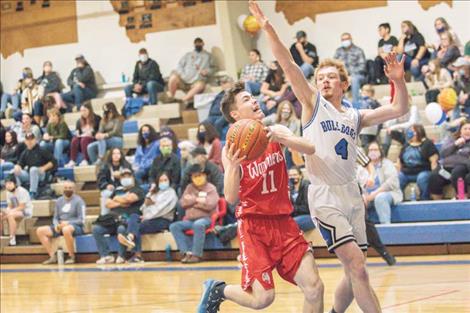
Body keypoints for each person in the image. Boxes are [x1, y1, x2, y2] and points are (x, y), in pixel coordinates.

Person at [249, 1, 409, 312]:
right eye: (321, 77)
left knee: (354, 273)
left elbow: (398, 109)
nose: (324, 81)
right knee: (358, 267)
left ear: (345, 83)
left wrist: (399, 81)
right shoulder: (312, 103)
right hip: (324, 196)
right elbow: (288, 65)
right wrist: (269, 28)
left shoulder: (354, 114)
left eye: (331, 77)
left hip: (352, 193)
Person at [197, 72, 322, 312]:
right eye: (246, 99)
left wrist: (284, 138)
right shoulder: (231, 148)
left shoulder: (274, 130)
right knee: (263, 299)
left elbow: (311, 147)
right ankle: (218, 289)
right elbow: (231, 198)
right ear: (235, 114)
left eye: (253, 97)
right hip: (254, 227)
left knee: (314, 287)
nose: (254, 101)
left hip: (284, 223)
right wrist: (233, 167)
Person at [93, 168, 145, 264]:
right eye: (123, 176)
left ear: (133, 178)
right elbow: (108, 204)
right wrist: (122, 201)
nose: (126, 178)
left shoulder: (138, 190)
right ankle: (106, 255)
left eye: (128, 176)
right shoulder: (117, 190)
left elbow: (130, 199)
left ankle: (121, 256)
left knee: (121, 229)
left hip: (127, 219)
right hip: (112, 219)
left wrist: (117, 199)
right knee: (96, 228)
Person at [170, 164, 219, 264]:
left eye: (200, 175)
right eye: (195, 176)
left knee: (198, 224)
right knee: (174, 226)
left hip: (206, 218)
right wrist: (198, 200)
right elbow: (183, 203)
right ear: (191, 178)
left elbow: (210, 204)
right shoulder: (189, 187)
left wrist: (192, 201)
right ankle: (185, 253)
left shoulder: (211, 188)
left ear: (205, 176)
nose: (198, 178)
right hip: (189, 220)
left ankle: (196, 255)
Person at [131, 172, 178, 262]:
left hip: (163, 220)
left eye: (165, 180)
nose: (163, 182)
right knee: (133, 217)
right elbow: (143, 209)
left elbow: (161, 210)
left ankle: (137, 253)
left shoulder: (171, 193)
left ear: (169, 181)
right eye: (161, 180)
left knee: (137, 226)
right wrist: (148, 197)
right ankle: (130, 236)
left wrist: (147, 216)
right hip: (148, 218)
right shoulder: (155, 192)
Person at [36, 181, 85, 265]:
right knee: (40, 230)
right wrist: (56, 225)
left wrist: (68, 222)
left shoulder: (79, 201)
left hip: (75, 226)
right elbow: (55, 217)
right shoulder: (59, 201)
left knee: (66, 229)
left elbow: (81, 220)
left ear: (74, 189)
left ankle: (71, 256)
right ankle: (52, 256)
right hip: (60, 225)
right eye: (66, 188)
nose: (67, 190)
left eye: (70, 188)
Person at [164, 37, 216, 105]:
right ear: (194, 45)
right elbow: (179, 66)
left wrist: (207, 71)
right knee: (173, 78)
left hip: (196, 81)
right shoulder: (187, 55)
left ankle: (182, 100)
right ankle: (171, 98)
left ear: (203, 43)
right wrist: (182, 74)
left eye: (199, 43)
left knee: (200, 85)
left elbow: (214, 68)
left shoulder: (208, 56)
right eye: (196, 43)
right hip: (183, 80)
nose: (198, 45)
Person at [363, 142, 403, 224]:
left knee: (380, 198)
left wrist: (374, 194)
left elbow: (391, 183)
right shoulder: (364, 166)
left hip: (388, 193)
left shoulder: (387, 164)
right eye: (370, 150)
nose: (373, 152)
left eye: (375, 150)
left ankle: (386, 227)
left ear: (380, 151)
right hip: (368, 196)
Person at [396, 124, 439, 200]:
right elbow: (399, 160)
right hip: (406, 173)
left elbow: (434, 161)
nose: (411, 133)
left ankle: (425, 200)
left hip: (423, 171)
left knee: (422, 178)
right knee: (398, 178)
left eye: (413, 131)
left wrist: (434, 176)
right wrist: (398, 172)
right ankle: (399, 200)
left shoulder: (428, 144)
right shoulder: (406, 145)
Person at [429, 120, 470, 199]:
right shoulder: (451, 139)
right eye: (465, 129)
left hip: (462, 167)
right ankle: (437, 205)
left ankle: (462, 199)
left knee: (457, 172)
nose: (468, 131)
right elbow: (443, 153)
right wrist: (455, 144)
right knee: (434, 176)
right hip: (446, 167)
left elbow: (466, 160)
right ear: (460, 130)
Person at [14, 132, 57, 199]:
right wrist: (17, 167)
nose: (29, 142)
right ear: (25, 141)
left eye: (31, 139)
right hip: (30, 174)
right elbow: (20, 164)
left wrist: (44, 168)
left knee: (33, 169)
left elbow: (53, 161)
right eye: (28, 140)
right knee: (14, 171)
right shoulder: (25, 152)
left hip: (41, 173)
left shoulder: (42, 150)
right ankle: (19, 193)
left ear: (35, 140)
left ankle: (32, 193)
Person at [97, 148, 133, 215]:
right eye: (114, 153)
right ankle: (104, 215)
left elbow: (131, 179)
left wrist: (121, 176)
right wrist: (106, 185)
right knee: (106, 193)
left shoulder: (127, 165)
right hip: (110, 189)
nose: (116, 155)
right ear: (111, 155)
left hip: (124, 188)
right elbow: (101, 180)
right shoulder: (105, 166)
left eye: (118, 153)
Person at [334, 32, 366, 105]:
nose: (345, 41)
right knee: (335, 80)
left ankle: (356, 105)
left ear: (351, 39)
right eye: (343, 39)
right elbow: (334, 65)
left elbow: (362, 67)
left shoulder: (358, 50)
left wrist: (350, 75)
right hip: (343, 76)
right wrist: (344, 75)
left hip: (357, 76)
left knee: (354, 79)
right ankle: (342, 104)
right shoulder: (338, 51)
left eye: (346, 39)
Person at [65, 102, 102, 167]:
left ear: (90, 110)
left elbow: (100, 130)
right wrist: (77, 133)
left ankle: (86, 160)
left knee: (85, 139)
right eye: (81, 111)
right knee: (74, 139)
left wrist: (91, 133)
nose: (83, 113)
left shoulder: (97, 118)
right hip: (82, 140)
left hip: (93, 139)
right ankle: (72, 161)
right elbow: (78, 132)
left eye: (85, 110)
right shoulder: (79, 121)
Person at [1, 176, 33, 246]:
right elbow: (10, 206)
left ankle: (12, 239)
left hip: (26, 211)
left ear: (15, 183)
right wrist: (6, 211)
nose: (8, 185)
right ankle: (1, 236)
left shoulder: (22, 191)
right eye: (6, 184)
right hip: (15, 211)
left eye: (10, 183)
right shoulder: (8, 193)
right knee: (1, 215)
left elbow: (22, 207)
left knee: (10, 215)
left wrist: (10, 212)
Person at [288, 167, 315, 232]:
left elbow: (307, 208)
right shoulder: (290, 189)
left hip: (309, 216)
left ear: (300, 175)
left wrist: (292, 208)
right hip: (296, 216)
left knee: (291, 223)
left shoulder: (307, 186)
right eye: (290, 175)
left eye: (295, 175)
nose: (292, 177)